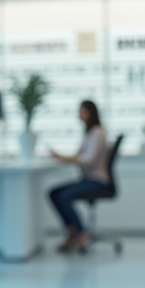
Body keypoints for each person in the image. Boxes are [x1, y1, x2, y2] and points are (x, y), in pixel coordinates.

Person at [49, 100, 110, 253]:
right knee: (54, 193)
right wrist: (62, 157)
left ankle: (81, 232)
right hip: (87, 179)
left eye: (82, 111)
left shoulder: (98, 132)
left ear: (91, 113)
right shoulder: (89, 133)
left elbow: (89, 160)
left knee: (64, 196)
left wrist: (63, 158)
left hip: (97, 181)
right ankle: (72, 231)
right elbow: (79, 156)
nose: (79, 114)